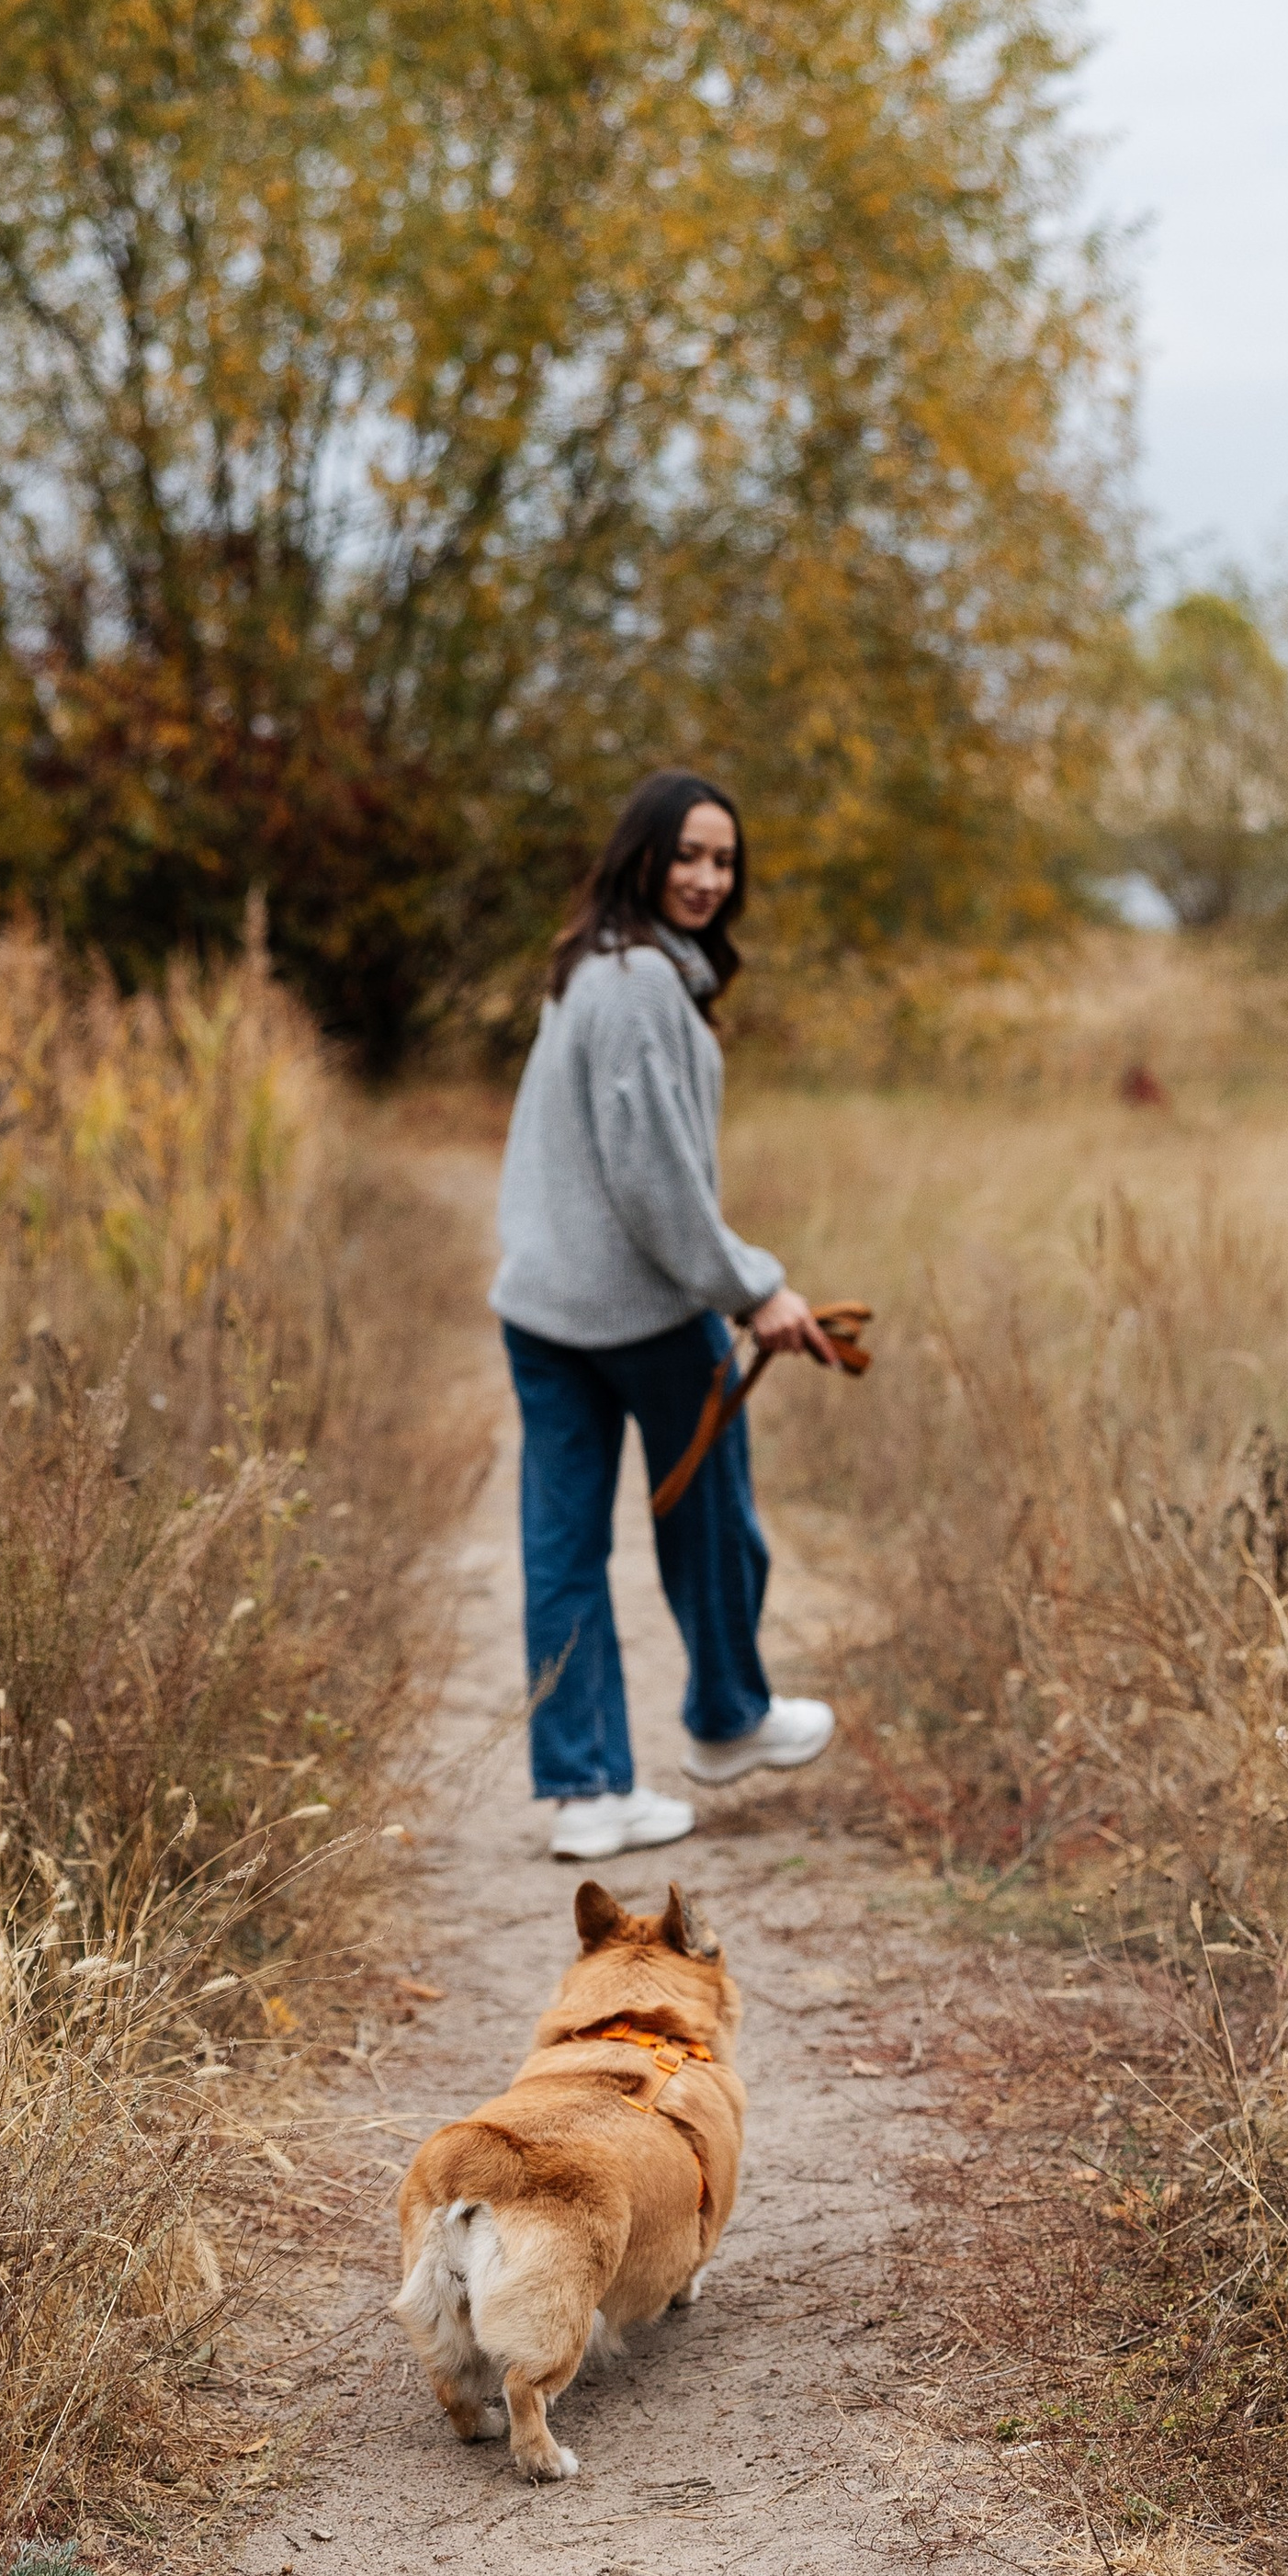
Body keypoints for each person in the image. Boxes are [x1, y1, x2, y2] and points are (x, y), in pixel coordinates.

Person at [491, 768, 837, 1862]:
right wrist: (754, 1288)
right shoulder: (639, 981)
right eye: (686, 854)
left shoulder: (589, 966)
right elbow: (655, 1180)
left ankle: (587, 1793)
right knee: (712, 1521)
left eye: (722, 861)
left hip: (542, 1307)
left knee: (563, 1547)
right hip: (637, 1312)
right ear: (639, 854)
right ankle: (729, 1719)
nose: (705, 877)